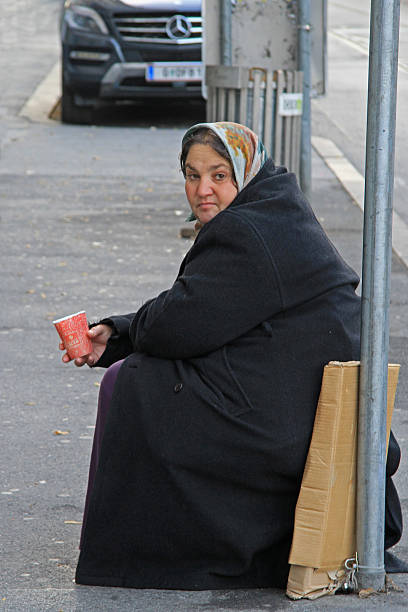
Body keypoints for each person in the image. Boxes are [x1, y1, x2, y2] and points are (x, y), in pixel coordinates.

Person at [60, 122, 404, 589]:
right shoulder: (278, 211)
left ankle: (143, 550)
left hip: (289, 431)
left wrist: (122, 339)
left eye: (219, 175)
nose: (203, 190)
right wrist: (119, 332)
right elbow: (202, 311)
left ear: (246, 173)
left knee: (135, 382)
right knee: (141, 373)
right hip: (319, 418)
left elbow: (179, 324)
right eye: (192, 174)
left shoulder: (247, 231)